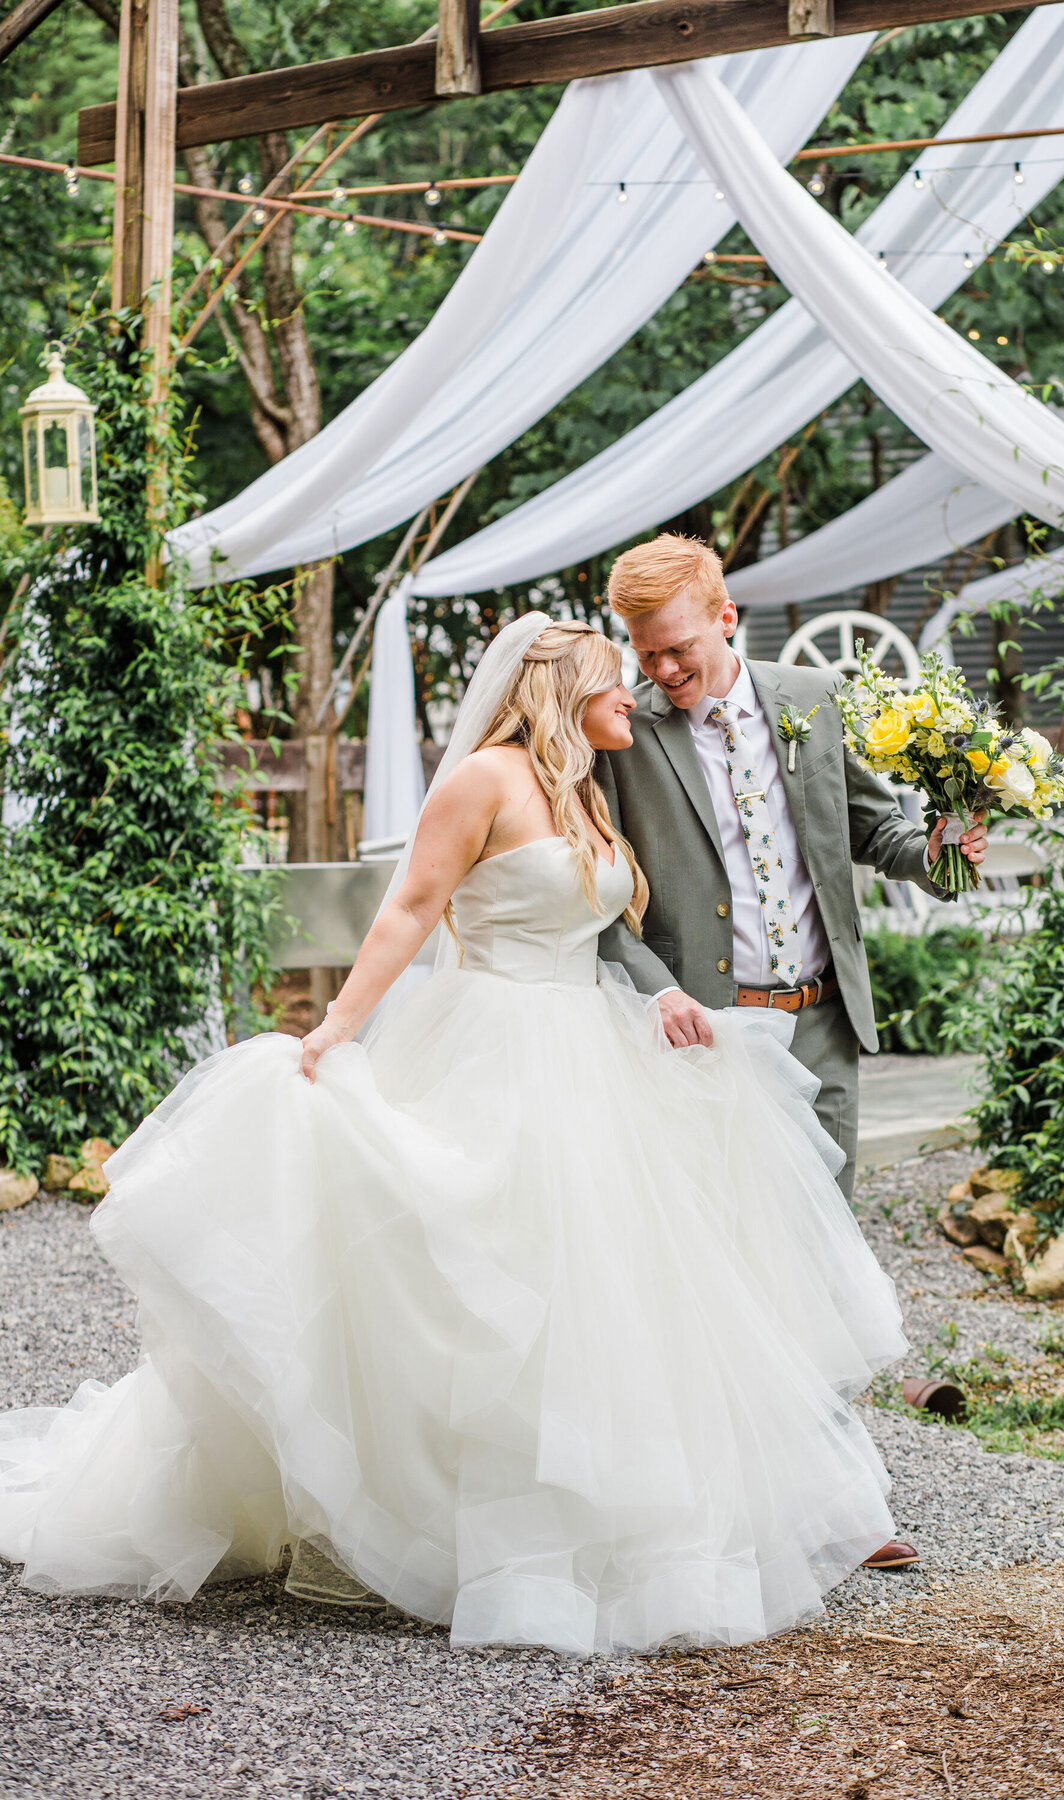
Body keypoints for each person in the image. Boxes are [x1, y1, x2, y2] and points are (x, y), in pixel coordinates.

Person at [0, 615, 914, 1656]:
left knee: (608, 1296)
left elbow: (609, 927)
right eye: (616, 684)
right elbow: (409, 908)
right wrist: (337, 1028)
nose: (635, 699)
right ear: (566, 691)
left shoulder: (585, 787)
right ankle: (470, 1528)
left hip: (590, 1052)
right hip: (494, 1047)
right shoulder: (482, 778)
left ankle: (613, 1523)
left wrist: (660, 1000)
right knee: (484, 1283)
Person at [597, 534, 989, 1202]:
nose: (662, 668)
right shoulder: (623, 736)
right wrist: (657, 993)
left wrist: (933, 849)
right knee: (729, 1236)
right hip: (705, 1031)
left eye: (678, 646)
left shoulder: (815, 696)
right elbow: (595, 895)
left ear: (726, 618)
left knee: (829, 1228)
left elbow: (867, 826)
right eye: (645, 650)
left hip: (821, 1023)